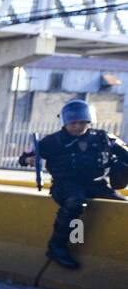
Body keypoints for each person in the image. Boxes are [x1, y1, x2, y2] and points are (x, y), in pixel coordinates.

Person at [38, 99, 128, 269]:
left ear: (89, 121)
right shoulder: (52, 141)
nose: (77, 126)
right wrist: (29, 158)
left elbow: (125, 153)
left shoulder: (104, 137)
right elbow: (28, 156)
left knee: (122, 206)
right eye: (73, 123)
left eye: (82, 122)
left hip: (96, 184)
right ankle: (56, 246)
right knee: (76, 202)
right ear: (65, 122)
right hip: (66, 184)